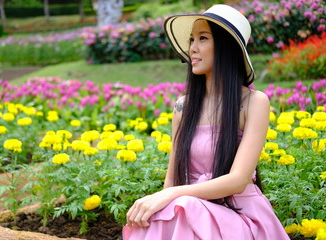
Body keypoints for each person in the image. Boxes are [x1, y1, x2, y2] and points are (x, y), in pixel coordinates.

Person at [123, 4, 290, 240]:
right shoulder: (184, 106)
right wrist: (164, 198)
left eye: (202, 38)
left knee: (183, 207)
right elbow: (172, 178)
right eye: (192, 39)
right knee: (171, 212)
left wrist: (172, 196)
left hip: (239, 215)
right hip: (190, 211)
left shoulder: (254, 102)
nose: (192, 48)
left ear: (226, 47)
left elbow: (238, 180)